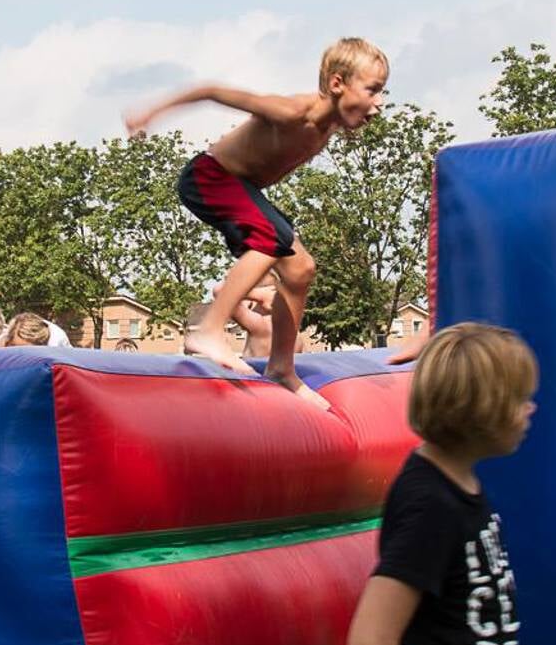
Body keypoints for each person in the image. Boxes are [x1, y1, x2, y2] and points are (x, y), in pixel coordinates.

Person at [347, 323, 549, 645]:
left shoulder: (461, 485)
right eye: (519, 399)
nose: (531, 409)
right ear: (480, 410)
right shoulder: (429, 505)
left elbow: (448, 615)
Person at [124, 38, 388, 409]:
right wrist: (150, 113)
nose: (379, 104)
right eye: (373, 90)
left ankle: (281, 366)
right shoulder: (292, 111)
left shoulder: (329, 127)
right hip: (208, 178)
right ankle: (210, 330)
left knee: (300, 269)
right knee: (271, 236)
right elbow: (212, 91)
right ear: (337, 84)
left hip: (239, 188)